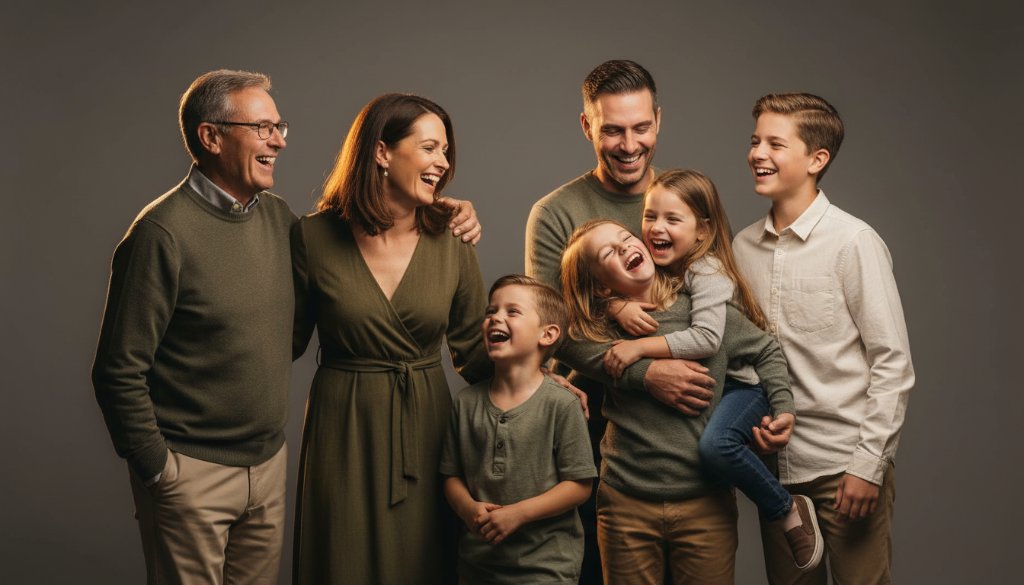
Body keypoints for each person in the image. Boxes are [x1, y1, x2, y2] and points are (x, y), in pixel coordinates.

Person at [92, 69, 293, 584]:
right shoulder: (161, 233)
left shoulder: (279, 220)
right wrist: (160, 470)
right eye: (263, 127)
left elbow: (352, 250)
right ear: (211, 137)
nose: (278, 141)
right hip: (190, 473)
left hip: (268, 466)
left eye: (280, 126)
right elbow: (118, 370)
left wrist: (438, 213)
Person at [524, 59, 715, 584]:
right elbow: (554, 328)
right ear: (587, 126)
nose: (629, 145)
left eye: (641, 128)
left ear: (659, 120)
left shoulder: (684, 204)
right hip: (600, 441)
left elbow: (719, 304)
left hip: (690, 436)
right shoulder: (556, 212)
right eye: (612, 130)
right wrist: (645, 373)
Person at [291, 93, 493, 584]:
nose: (443, 164)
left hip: (427, 427)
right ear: (382, 152)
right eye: (429, 148)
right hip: (343, 427)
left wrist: (547, 380)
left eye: (445, 151)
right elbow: (280, 341)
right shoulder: (312, 237)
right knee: (342, 560)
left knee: (425, 563)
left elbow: (476, 354)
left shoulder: (453, 238)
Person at [600, 169, 824, 571]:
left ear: (702, 232)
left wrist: (638, 348)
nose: (656, 228)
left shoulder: (708, 273)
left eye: (673, 219)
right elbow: (599, 294)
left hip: (743, 386)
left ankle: (786, 507)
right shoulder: (653, 270)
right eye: (650, 217)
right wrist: (615, 306)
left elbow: (707, 339)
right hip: (630, 488)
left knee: (715, 447)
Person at [733, 93, 914, 584]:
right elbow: (743, 355)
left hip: (844, 467)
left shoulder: (854, 243)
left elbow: (892, 363)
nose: (757, 154)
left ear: (817, 160)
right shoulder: (740, 247)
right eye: (754, 142)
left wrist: (867, 466)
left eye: (775, 143)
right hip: (775, 475)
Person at [558, 219, 793, 584]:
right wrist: (615, 309)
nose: (624, 248)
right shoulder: (600, 331)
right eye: (609, 252)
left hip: (704, 502)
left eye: (626, 238)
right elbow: (561, 336)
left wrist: (783, 407)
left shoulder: (705, 315)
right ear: (602, 286)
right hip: (624, 502)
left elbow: (767, 350)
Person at [440, 274, 597, 584]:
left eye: (512, 311)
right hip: (477, 566)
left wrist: (519, 513)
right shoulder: (466, 402)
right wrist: (467, 508)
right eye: (491, 311)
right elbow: (450, 475)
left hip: (545, 568)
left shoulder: (562, 404)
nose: (495, 317)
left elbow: (579, 485)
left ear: (548, 334)